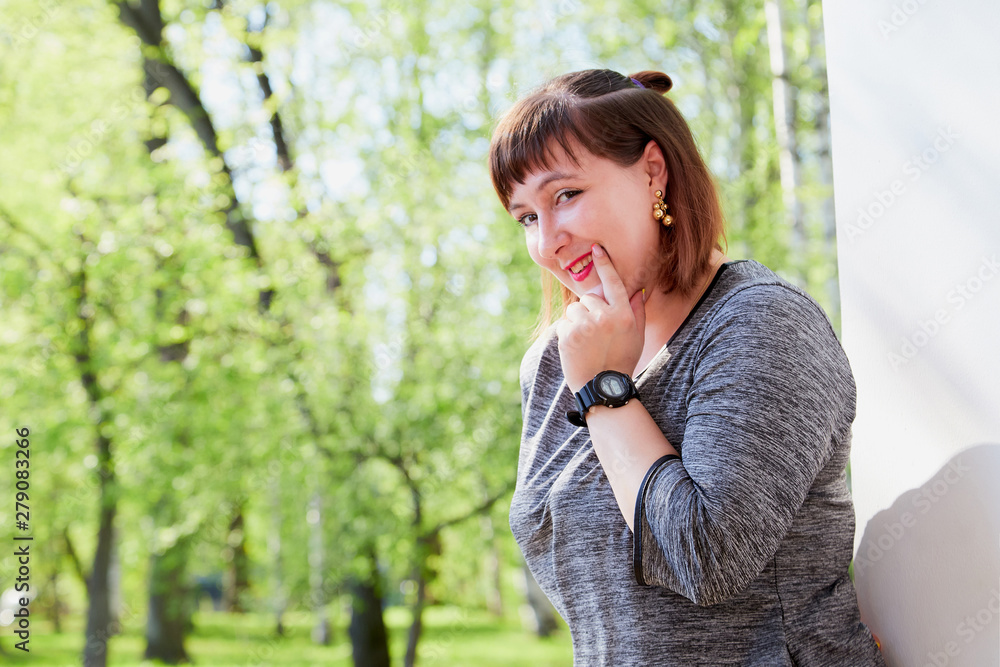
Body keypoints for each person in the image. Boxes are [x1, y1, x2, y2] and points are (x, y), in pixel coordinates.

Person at [488, 69, 886, 666]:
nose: (548, 242)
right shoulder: (554, 360)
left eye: (565, 195)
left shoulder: (762, 324)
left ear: (653, 170)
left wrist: (605, 393)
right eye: (526, 217)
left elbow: (706, 558)